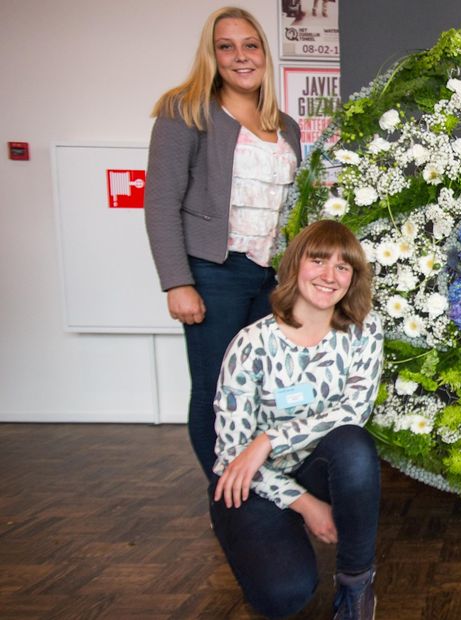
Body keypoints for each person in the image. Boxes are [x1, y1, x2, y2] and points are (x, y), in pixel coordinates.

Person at [145, 7, 302, 481]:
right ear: (211, 55)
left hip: (270, 279)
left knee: (261, 389)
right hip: (213, 273)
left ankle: (256, 486)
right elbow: (160, 203)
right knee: (217, 391)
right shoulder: (185, 109)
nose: (240, 57)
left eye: (250, 45)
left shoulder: (285, 124)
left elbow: (293, 205)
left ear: (263, 54)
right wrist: (177, 281)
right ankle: (225, 494)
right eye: (226, 46)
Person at [210, 219, 384, 619]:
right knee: (284, 596)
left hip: (315, 467)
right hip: (255, 484)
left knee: (354, 444)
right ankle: (258, 539)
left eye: (343, 267)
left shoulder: (363, 331)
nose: (329, 276)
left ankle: (356, 586)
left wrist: (268, 440)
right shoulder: (251, 344)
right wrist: (305, 505)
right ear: (294, 266)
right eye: (318, 260)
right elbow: (229, 458)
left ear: (353, 278)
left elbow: (352, 411)